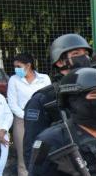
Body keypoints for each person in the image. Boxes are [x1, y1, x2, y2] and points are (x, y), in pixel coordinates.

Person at [23, 35, 92, 168]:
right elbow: (33, 152)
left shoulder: (95, 93)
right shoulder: (43, 100)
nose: (84, 58)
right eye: (76, 54)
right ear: (60, 62)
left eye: (86, 53)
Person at [6, 52, 50, 176]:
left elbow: (49, 98)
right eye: (15, 67)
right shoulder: (14, 80)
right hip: (22, 122)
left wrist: (38, 117)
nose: (16, 69)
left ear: (28, 65)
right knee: (23, 160)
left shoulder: (44, 78)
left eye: (18, 66)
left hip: (43, 121)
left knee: (45, 157)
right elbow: (12, 104)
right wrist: (28, 117)